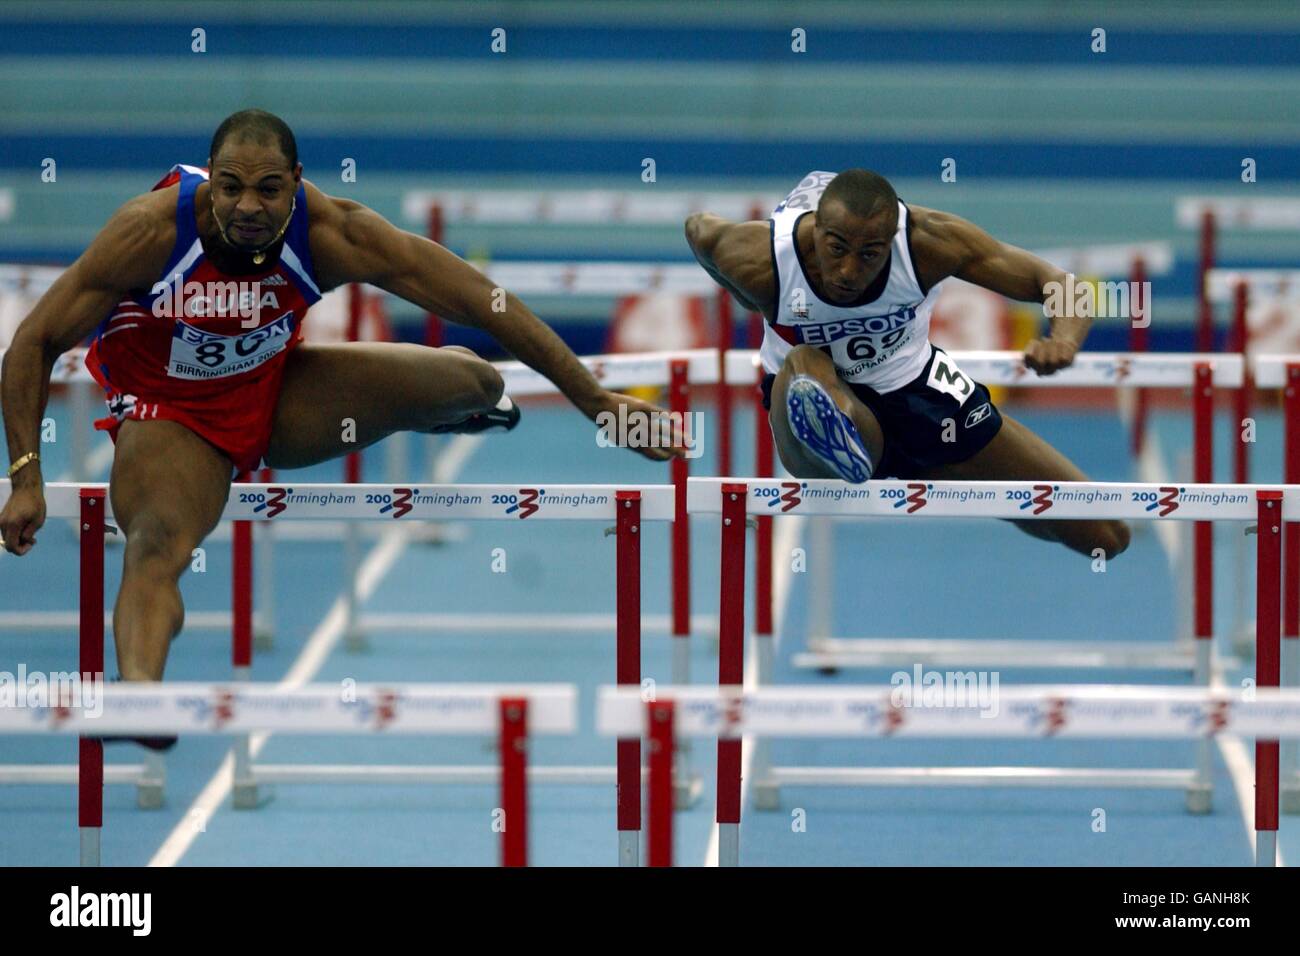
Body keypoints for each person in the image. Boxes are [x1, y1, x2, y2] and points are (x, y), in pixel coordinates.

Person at [1, 109, 679, 702]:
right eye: (230, 187)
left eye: (268, 190)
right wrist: (26, 473)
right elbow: (32, 343)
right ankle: (141, 695)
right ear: (209, 177)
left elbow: (484, 300)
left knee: (474, 382)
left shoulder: (332, 234)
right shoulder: (150, 232)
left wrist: (596, 402)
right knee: (156, 545)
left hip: (274, 393)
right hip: (170, 415)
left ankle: (471, 404)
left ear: (296, 182)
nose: (247, 207)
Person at [685, 168, 1129, 558]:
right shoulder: (758, 258)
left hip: (922, 399)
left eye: (870, 255)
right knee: (804, 364)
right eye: (836, 249)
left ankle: (949, 475)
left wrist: (1065, 342)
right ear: (816, 227)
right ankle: (841, 440)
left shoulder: (929, 242)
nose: (848, 271)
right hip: (813, 408)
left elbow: (1058, 283)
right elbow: (697, 229)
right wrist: (746, 295)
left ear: (893, 239)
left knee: (1105, 537)